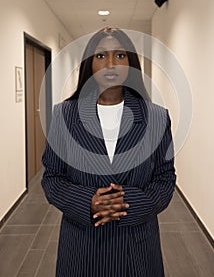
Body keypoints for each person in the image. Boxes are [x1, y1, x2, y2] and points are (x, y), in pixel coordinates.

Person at [41, 27, 176, 277]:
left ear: (132, 63)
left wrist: (126, 204)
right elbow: (52, 179)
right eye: (101, 56)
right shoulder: (64, 116)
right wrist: (89, 202)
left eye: (121, 56)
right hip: (82, 247)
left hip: (136, 248)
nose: (111, 64)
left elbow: (165, 179)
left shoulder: (156, 118)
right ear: (89, 64)